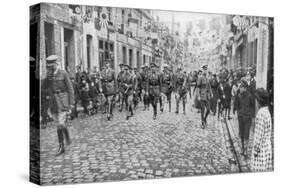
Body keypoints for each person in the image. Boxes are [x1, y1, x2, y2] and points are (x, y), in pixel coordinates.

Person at [42, 55, 74, 156]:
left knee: (60, 123)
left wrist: (71, 103)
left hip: (63, 100)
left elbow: (70, 88)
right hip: (53, 102)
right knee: (58, 124)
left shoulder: (63, 73)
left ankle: (61, 146)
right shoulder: (49, 74)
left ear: (57, 63)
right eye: (50, 66)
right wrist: (47, 78)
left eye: (52, 66)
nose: (51, 68)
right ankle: (65, 136)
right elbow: (44, 87)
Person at [250, 88, 273, 172]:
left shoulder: (260, 114)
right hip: (267, 147)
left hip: (261, 150)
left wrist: (255, 152)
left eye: (256, 99)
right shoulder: (267, 111)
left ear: (259, 101)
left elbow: (258, 136)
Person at [236, 79, 255, 157]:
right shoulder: (239, 96)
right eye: (240, 87)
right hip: (241, 118)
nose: (240, 89)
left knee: (246, 134)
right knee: (241, 134)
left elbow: (252, 106)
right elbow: (237, 106)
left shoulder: (250, 96)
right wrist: (239, 113)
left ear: (245, 88)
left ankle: (246, 149)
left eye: (242, 87)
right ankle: (242, 148)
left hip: (247, 118)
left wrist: (251, 115)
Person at [197, 64, 212, 129]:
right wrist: (198, 96)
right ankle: (202, 123)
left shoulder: (207, 78)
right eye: (204, 69)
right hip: (202, 95)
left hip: (207, 96)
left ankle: (205, 119)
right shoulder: (200, 78)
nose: (205, 71)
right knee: (203, 109)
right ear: (202, 70)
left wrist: (211, 93)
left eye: (206, 69)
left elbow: (209, 87)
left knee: (208, 109)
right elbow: (198, 87)